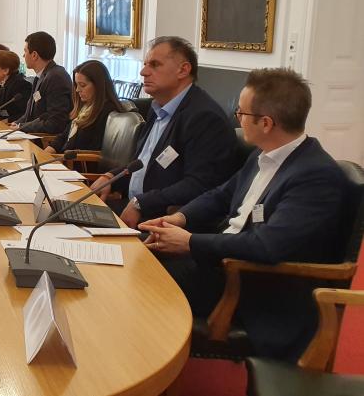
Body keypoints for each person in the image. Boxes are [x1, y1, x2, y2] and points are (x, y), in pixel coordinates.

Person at [139, 68, 347, 360]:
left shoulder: (315, 176)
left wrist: (190, 242)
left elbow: (267, 245)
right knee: (139, 256)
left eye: (241, 113)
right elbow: (220, 195)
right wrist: (180, 219)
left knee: (142, 282)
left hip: (253, 284)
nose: (237, 118)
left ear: (266, 123)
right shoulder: (262, 154)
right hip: (221, 261)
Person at [90, 36, 239, 227]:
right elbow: (142, 164)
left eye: (154, 65)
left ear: (183, 70)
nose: (143, 72)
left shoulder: (204, 117)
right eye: (145, 64)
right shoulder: (157, 108)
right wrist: (111, 177)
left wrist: (141, 203)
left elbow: (200, 184)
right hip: (135, 208)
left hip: (166, 223)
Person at [47, 60, 123, 153]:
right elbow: (64, 136)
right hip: (65, 158)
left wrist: (58, 157)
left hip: (77, 161)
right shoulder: (85, 106)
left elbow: (95, 150)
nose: (77, 90)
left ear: (98, 85)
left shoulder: (107, 112)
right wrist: (48, 151)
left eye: (82, 85)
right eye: (76, 85)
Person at [12, 31, 73, 134]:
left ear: (34, 55)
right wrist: (16, 124)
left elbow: (56, 122)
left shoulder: (56, 77)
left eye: (25, 51)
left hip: (43, 140)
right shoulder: (42, 75)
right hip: (31, 134)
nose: (23, 55)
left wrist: (21, 127)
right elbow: (29, 114)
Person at [0, 50, 31, 122]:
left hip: (9, 125)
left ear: (5, 71)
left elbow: (25, 113)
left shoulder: (21, 85)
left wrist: (7, 120)